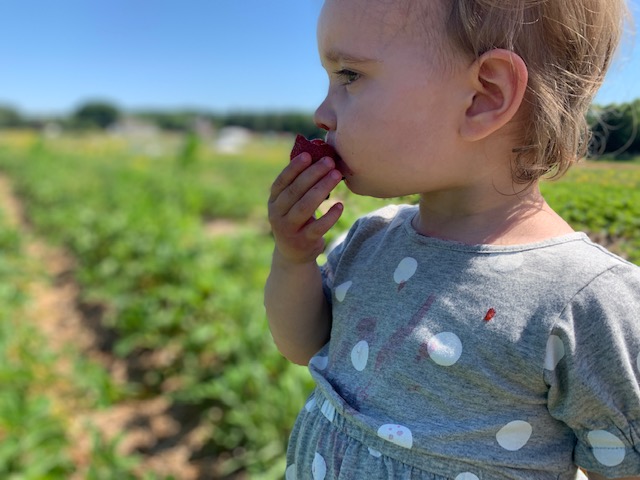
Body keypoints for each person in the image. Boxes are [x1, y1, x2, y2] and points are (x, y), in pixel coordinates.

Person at [264, 0, 640, 478]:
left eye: (349, 75)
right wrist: (294, 260)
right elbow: (301, 345)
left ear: (484, 96)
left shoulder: (584, 299)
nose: (321, 113)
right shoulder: (371, 238)